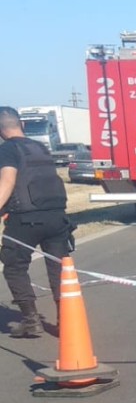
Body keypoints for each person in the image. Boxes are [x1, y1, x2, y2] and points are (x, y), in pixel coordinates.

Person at [0, 106, 70, 338]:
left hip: (26, 219)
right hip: (57, 217)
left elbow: (8, 181)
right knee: (59, 269)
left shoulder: (8, 149)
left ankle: (31, 321)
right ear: (23, 124)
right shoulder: (40, 147)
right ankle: (67, 321)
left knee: (14, 266)